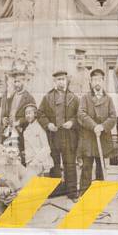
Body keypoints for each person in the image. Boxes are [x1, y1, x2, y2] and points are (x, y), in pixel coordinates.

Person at [39, 70, 80, 198]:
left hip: (68, 135)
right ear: (54, 82)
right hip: (54, 135)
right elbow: (40, 113)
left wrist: (72, 122)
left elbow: (79, 116)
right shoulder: (47, 97)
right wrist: (48, 124)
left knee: (70, 163)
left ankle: (72, 191)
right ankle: (55, 189)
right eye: (58, 79)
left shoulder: (74, 98)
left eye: (63, 79)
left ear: (66, 80)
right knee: (54, 162)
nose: (61, 81)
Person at [77, 68, 116, 186]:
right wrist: (94, 126)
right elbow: (81, 114)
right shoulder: (85, 98)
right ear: (91, 82)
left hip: (102, 138)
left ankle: (99, 195)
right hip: (88, 138)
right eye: (94, 80)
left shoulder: (108, 99)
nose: (97, 82)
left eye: (99, 80)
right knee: (87, 167)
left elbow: (113, 117)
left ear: (103, 81)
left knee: (101, 167)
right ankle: (84, 194)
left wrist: (102, 127)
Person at [20, 104, 53, 174]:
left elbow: (46, 148)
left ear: (35, 114)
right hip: (30, 163)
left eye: (29, 113)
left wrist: (36, 161)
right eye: (26, 114)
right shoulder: (26, 130)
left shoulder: (40, 128)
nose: (27, 116)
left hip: (41, 163)